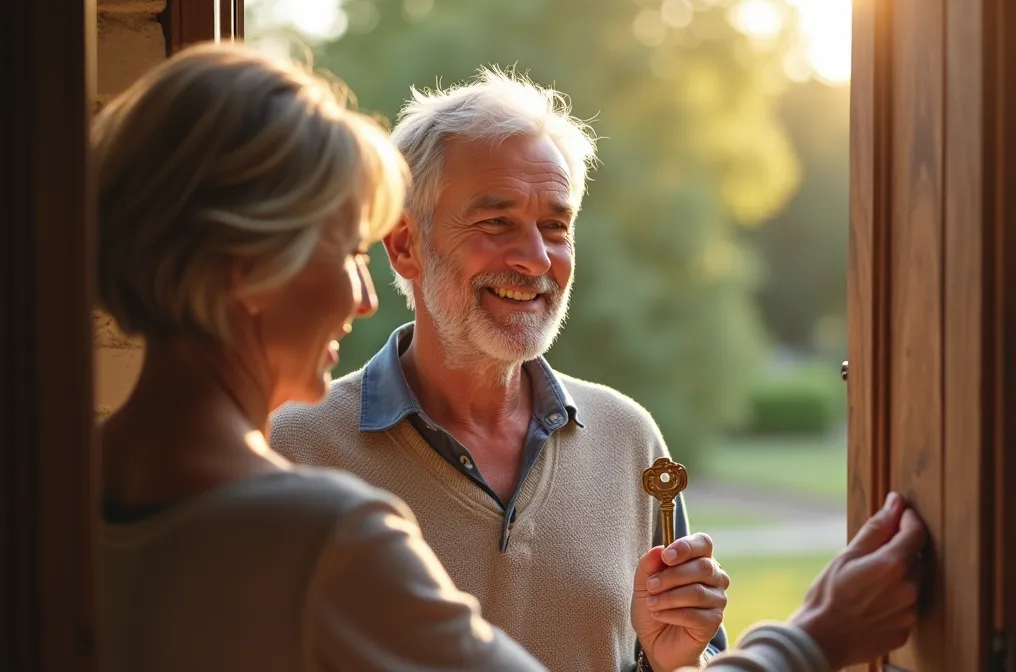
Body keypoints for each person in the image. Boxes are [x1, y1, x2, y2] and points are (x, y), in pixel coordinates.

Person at [95, 41, 926, 672]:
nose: (358, 293)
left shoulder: (59, 500)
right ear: (249, 268)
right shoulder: (319, 528)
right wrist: (817, 636)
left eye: (556, 224)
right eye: (344, 250)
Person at [270, 69, 738, 672]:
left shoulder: (630, 439)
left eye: (556, 226)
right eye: (496, 223)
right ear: (406, 245)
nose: (536, 259)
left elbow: (681, 660)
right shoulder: (295, 446)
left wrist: (672, 662)